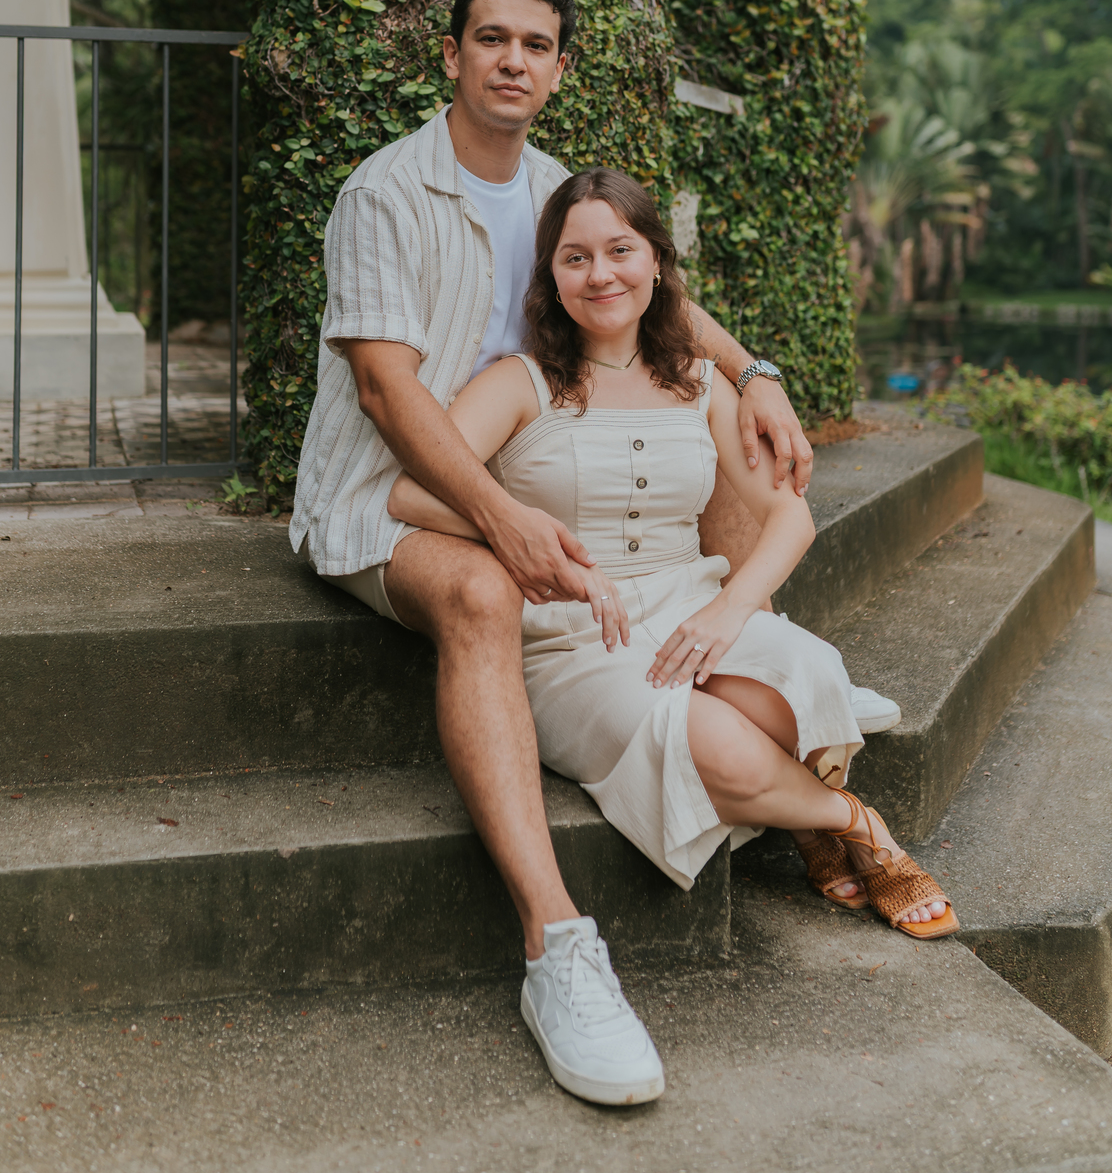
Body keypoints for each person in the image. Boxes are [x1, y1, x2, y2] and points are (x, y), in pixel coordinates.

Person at [288, 0, 900, 1104]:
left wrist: (755, 373)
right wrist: (500, 518)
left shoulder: (553, 184)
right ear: (454, 54)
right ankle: (558, 949)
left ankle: (759, 669)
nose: (511, 61)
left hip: (518, 470)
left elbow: (654, 284)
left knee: (722, 455)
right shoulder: (383, 194)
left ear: (559, 68)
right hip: (395, 499)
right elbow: (385, 394)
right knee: (483, 594)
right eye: (491, 39)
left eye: (534, 44)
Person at [387, 168, 959, 1074]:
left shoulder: (696, 381)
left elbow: (789, 517)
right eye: (575, 258)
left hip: (695, 607)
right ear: (551, 279)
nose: (600, 274)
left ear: (657, 264)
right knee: (723, 749)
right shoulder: (519, 382)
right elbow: (414, 490)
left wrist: (732, 608)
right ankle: (850, 819)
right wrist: (528, 532)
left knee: (799, 677)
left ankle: (796, 808)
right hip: (581, 638)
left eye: (621, 251)